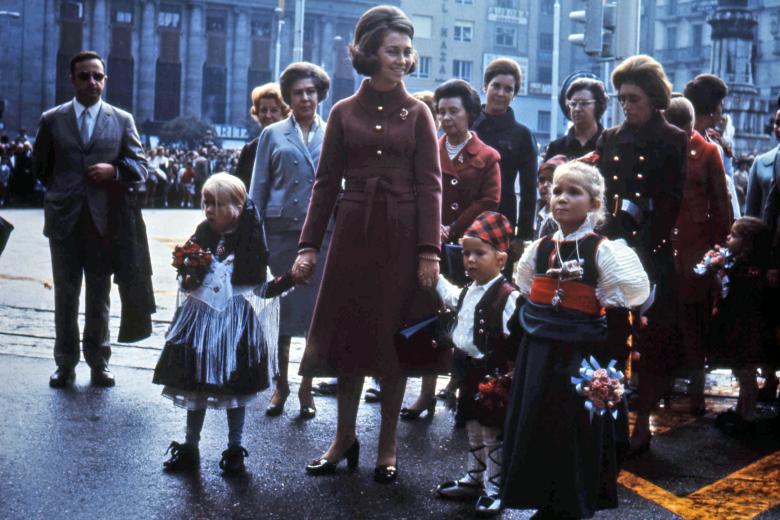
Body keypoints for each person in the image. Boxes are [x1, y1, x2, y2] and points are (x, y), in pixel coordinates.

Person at [292, 5, 441, 483]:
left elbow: (431, 185)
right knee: (351, 336)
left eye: (406, 51)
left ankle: (388, 445)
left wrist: (429, 252)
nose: (402, 59)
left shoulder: (418, 112)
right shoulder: (342, 111)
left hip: (401, 238)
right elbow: (324, 184)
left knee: (392, 340)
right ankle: (343, 438)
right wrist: (308, 245)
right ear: (369, 53)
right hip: (353, 236)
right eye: (393, 51)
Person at [502, 161, 649, 519]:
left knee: (573, 428)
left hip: (581, 356)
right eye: (557, 191)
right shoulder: (537, 249)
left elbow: (617, 316)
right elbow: (524, 301)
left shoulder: (603, 251)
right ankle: (544, 499)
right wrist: (510, 357)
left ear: (595, 203)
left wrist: (614, 371)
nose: (562, 199)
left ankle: (572, 503)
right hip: (538, 352)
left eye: (573, 192)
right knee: (537, 423)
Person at [153, 173, 297, 474]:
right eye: (206, 203)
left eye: (217, 204)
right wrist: (188, 275)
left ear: (238, 205)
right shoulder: (203, 233)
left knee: (235, 389)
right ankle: (190, 445)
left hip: (235, 326)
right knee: (195, 385)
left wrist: (291, 279)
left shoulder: (249, 242)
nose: (209, 210)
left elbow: (261, 287)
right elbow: (187, 277)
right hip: (200, 323)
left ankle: (234, 448)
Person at [31, 50, 148, 388]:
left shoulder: (122, 120)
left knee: (99, 295)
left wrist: (114, 170)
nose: (92, 82)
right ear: (72, 80)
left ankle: (99, 362)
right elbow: (40, 167)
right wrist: (64, 188)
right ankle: (65, 364)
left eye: (98, 76)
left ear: (105, 80)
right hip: (64, 221)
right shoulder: (52, 119)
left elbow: (140, 167)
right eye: (84, 76)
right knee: (65, 294)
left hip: (104, 222)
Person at [594, 55, 688, 454]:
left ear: (653, 98)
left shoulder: (673, 139)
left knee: (651, 343)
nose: (627, 106)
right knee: (611, 338)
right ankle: (610, 420)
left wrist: (639, 251)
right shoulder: (610, 139)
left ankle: (643, 424)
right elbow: (604, 200)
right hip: (613, 250)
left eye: (633, 98)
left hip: (652, 252)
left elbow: (669, 203)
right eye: (622, 99)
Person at [401, 79, 500, 421]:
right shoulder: (427, 148)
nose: (446, 118)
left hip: (468, 250)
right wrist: (432, 228)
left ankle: (463, 393)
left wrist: (454, 228)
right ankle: (426, 394)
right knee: (432, 320)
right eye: (441, 112)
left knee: (468, 321)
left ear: (470, 114)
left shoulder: (487, 156)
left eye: (453, 111)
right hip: (431, 247)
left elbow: (490, 200)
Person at [249, 62, 331, 419]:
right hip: (281, 234)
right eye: (298, 92)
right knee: (281, 314)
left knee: (314, 317)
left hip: (322, 235)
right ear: (288, 98)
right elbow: (258, 190)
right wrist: (256, 238)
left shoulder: (333, 132)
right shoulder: (272, 135)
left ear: (320, 95)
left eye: (311, 91)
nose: (305, 98)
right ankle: (280, 385)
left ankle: (306, 387)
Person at [434, 211, 518, 516]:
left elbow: (517, 338)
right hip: (468, 369)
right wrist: (436, 280)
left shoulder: (508, 297)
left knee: (492, 429)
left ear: (501, 260)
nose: (470, 260)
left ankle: (494, 487)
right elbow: (454, 298)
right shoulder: (469, 290)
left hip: (493, 373)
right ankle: (474, 477)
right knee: (471, 422)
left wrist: (511, 374)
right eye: (466, 253)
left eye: (479, 253)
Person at [663, 97, 731, 416]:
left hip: (696, 251)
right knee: (663, 324)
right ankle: (662, 388)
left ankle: (696, 394)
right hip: (663, 249)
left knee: (694, 326)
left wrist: (721, 253)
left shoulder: (707, 153)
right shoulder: (657, 148)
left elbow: (721, 206)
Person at [705, 217, 772, 434]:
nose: (728, 238)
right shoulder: (737, 264)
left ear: (748, 243)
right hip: (739, 328)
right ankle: (742, 410)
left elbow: (741, 292)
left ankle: (748, 415)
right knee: (743, 374)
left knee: (746, 374)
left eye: (734, 235)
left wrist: (722, 268)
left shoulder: (750, 270)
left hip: (746, 331)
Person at [472, 58, 538, 243]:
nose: (501, 93)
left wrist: (522, 236)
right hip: (465, 215)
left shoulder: (522, 135)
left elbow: (529, 190)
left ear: (514, 94)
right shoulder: (467, 126)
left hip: (503, 218)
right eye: (496, 86)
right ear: (485, 87)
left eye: (508, 89)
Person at [684, 74, 740, 219]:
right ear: (711, 109)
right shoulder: (680, 140)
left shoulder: (717, 146)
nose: (722, 110)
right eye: (721, 104)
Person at [236, 83, 290, 189]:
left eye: (274, 110)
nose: (268, 115)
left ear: (284, 113)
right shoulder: (249, 150)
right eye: (263, 110)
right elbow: (239, 189)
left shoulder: (295, 146)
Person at [544, 78, 608, 161]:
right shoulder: (556, 148)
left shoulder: (608, 144)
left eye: (584, 103)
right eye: (573, 104)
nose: (577, 109)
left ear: (598, 106)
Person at [534, 155, 568, 239]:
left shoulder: (565, 216)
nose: (545, 185)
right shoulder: (539, 210)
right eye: (541, 180)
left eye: (551, 180)